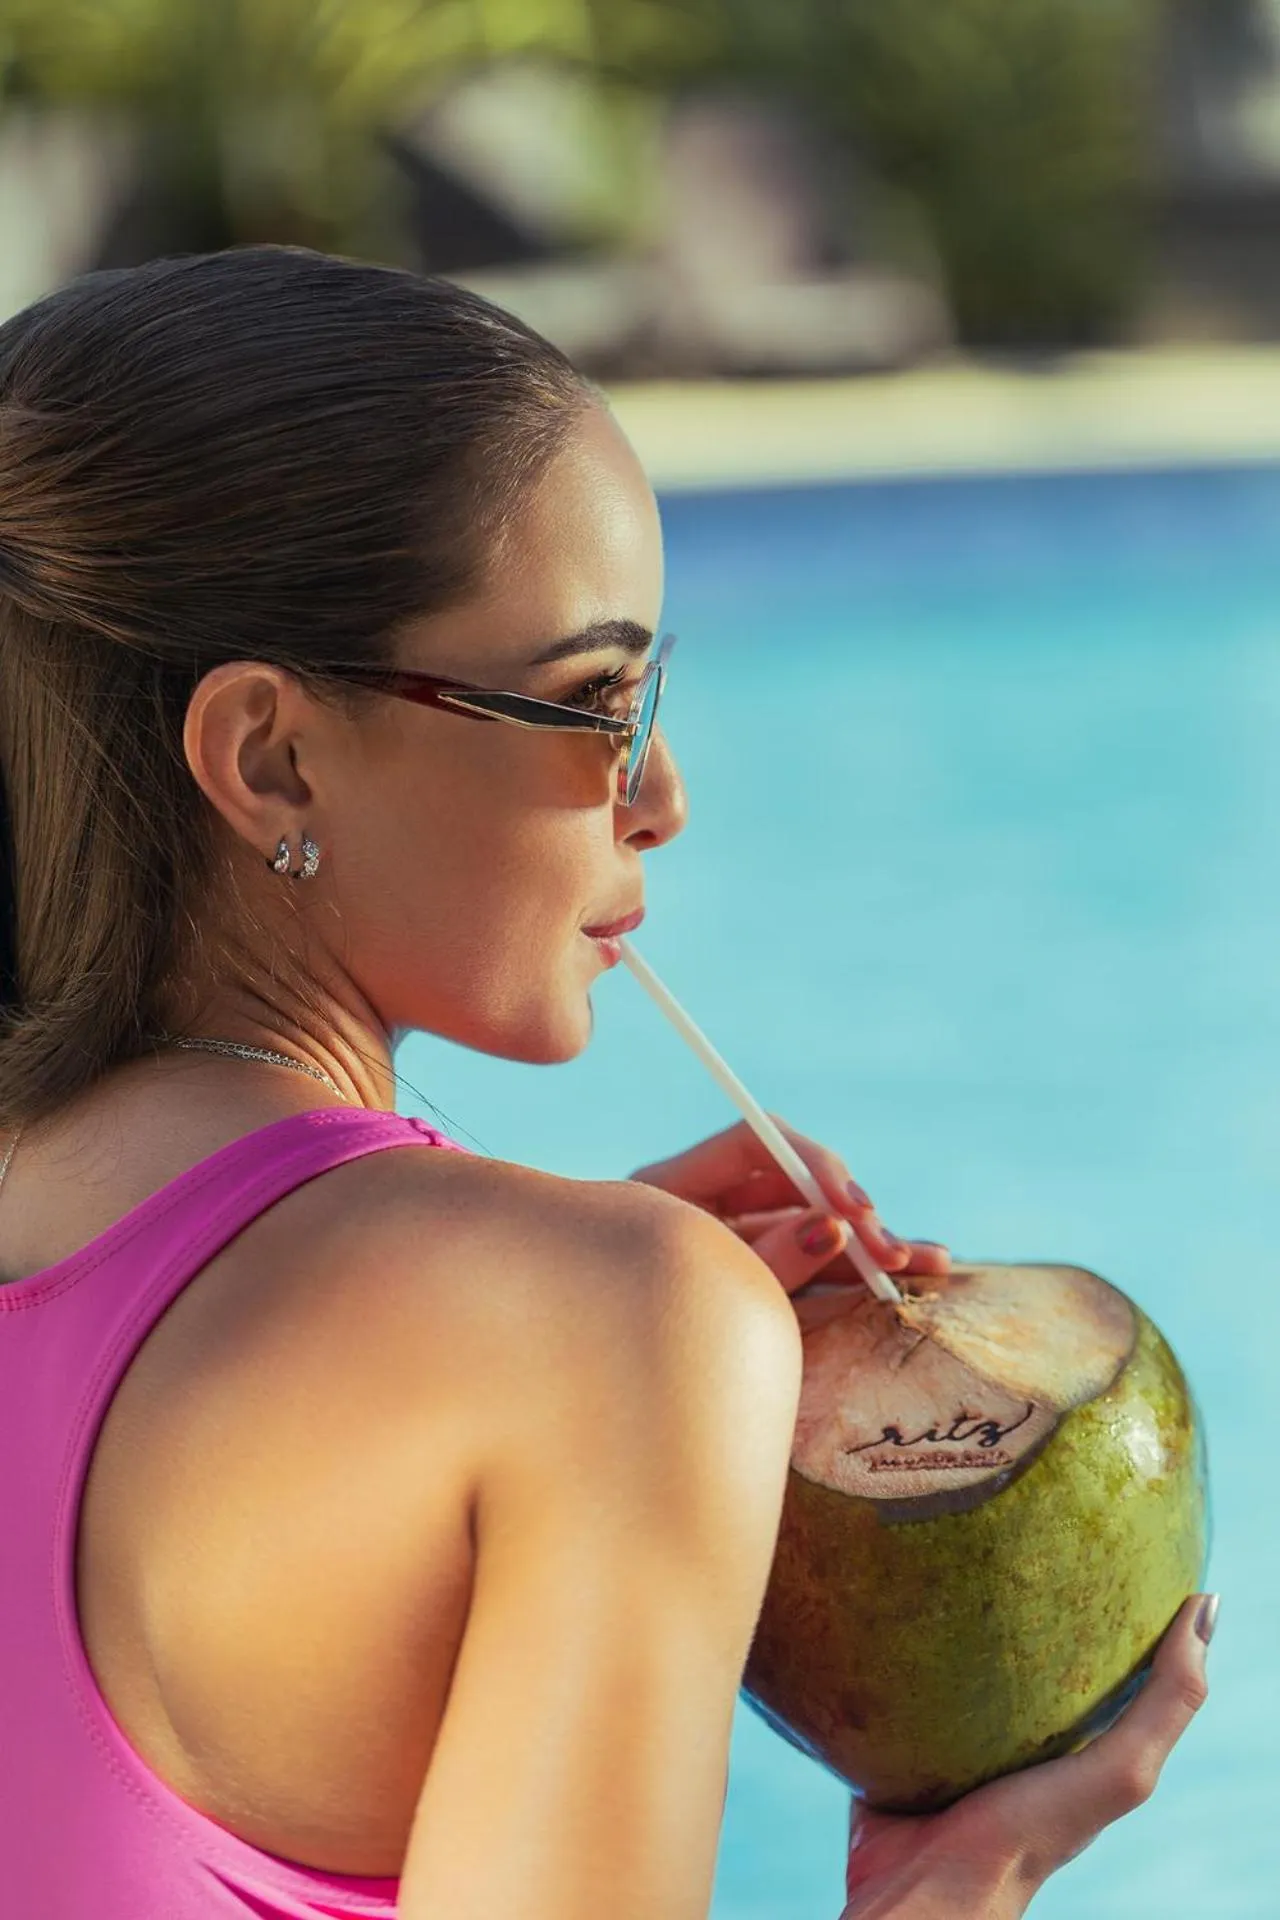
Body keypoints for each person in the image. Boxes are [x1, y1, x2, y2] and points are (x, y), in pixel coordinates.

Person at [0, 247, 1212, 1920]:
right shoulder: (614, 1325)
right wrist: (957, 1883)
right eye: (596, 702)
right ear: (270, 755)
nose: (662, 796)